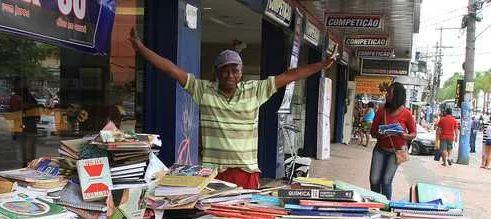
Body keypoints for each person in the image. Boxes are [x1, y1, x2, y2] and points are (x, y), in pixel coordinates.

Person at [129, 28, 336, 188]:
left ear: (241, 71)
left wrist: (321, 65)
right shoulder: (203, 90)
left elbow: (291, 75)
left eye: (234, 70)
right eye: (224, 71)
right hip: (213, 173)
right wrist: (141, 49)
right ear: (216, 73)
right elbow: (171, 68)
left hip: (246, 173)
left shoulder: (255, 90)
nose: (230, 75)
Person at [368, 82, 416, 200]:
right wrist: (380, 133)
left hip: (396, 152)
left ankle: (385, 207)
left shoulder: (407, 114)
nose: (386, 95)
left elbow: (413, 133)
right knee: (374, 179)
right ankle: (375, 204)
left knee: (386, 181)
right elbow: (372, 132)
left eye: (389, 93)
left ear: (397, 96)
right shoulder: (381, 110)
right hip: (380, 149)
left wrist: (403, 135)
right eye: (387, 92)